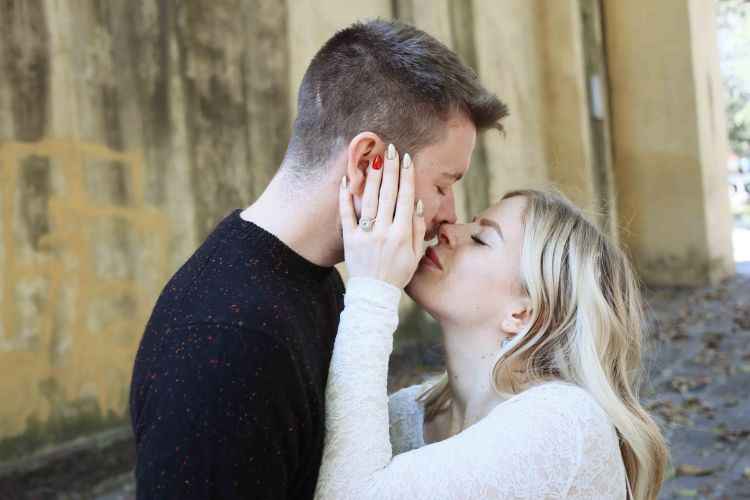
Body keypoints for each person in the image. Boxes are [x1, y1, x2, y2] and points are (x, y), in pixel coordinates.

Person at [128, 19, 508, 499]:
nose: (450, 214)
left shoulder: (315, 280)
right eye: (442, 185)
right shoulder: (228, 341)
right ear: (368, 161)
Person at [315, 157, 668, 499]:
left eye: (481, 239)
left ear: (523, 314)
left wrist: (372, 290)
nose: (448, 230)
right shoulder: (407, 416)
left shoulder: (562, 421)